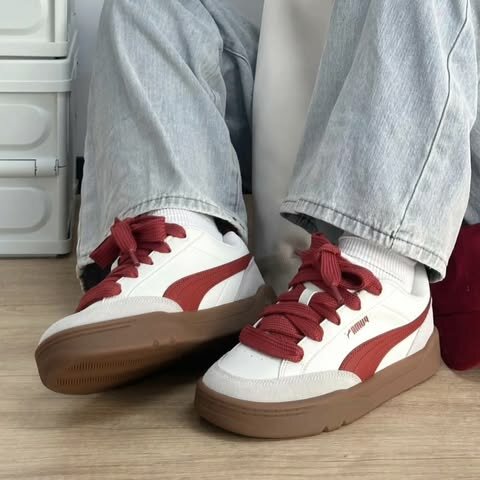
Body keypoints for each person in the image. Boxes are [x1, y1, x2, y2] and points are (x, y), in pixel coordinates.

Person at [35, 0, 480, 439]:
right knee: (145, 6)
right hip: (320, 90)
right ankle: (190, 244)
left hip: (442, 116)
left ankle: (383, 275)